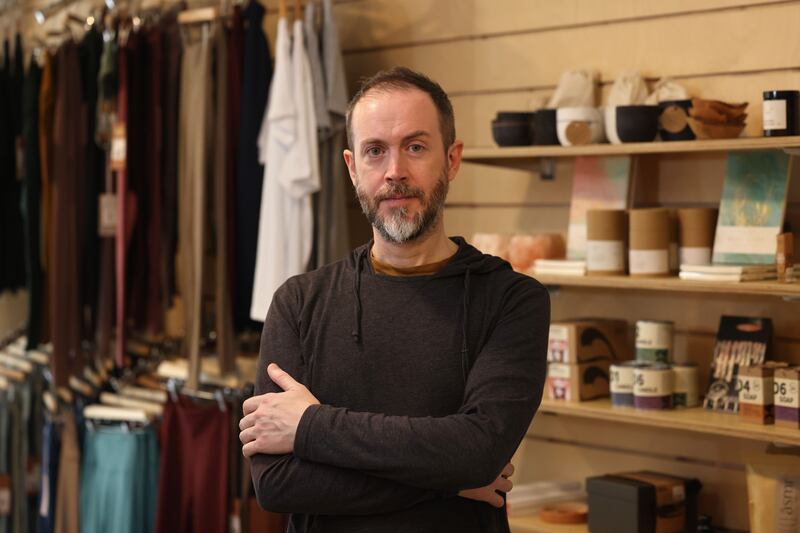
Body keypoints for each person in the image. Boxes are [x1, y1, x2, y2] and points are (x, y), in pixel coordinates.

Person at [238, 66, 550, 532]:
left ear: (452, 159)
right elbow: (279, 485)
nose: (395, 172)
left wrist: (309, 427)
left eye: (416, 147)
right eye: (375, 151)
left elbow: (478, 452)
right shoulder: (298, 304)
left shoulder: (511, 300)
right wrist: (447, 480)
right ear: (351, 167)